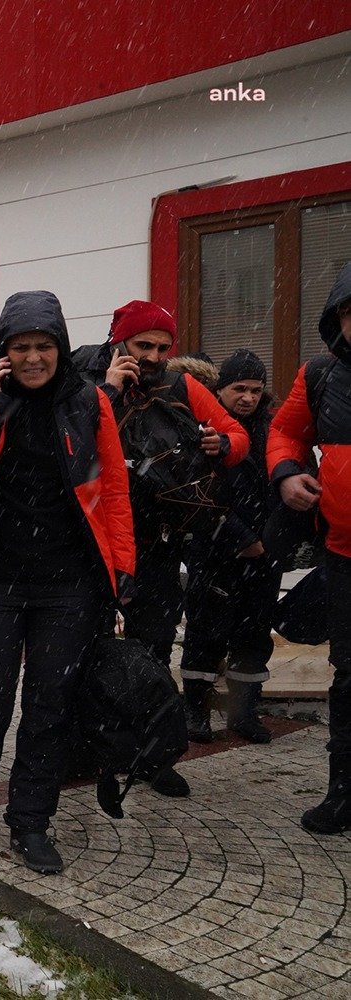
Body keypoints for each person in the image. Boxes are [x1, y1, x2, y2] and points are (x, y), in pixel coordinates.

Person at [0, 291, 135, 874]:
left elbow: (114, 491)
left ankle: (31, 820)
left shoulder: (90, 403)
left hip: (69, 585)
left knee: (51, 706)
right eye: (21, 347)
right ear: (2, 352)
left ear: (60, 349)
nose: (34, 357)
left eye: (44, 346)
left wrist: (122, 574)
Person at [82, 300, 248, 798]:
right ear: (119, 342)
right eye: (142, 346)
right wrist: (110, 388)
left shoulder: (181, 386)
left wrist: (225, 444)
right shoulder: (84, 381)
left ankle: (152, 755)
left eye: (161, 347)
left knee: (152, 650)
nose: (153, 356)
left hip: (158, 542)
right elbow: (72, 438)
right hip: (97, 540)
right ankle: (82, 747)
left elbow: (236, 434)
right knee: (81, 647)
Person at [268, 262, 351, 836]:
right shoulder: (320, 375)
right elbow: (285, 431)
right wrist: (286, 474)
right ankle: (344, 793)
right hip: (343, 556)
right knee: (348, 677)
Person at [177, 349, 279, 744]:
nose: (249, 397)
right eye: (240, 389)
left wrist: (272, 541)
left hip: (266, 554)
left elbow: (293, 480)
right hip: (214, 551)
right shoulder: (204, 430)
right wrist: (239, 537)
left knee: (254, 635)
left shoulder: (275, 430)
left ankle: (243, 712)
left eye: (256, 390)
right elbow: (199, 494)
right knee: (205, 633)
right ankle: (195, 711)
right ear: (220, 390)